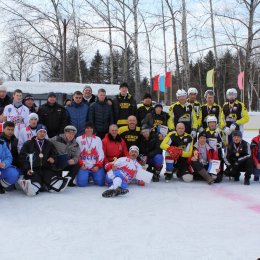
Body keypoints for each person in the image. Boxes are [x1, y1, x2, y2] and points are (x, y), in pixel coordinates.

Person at [18, 125, 71, 196]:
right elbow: (22, 157)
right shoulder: (28, 143)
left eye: (44, 132)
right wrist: (27, 169)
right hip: (33, 169)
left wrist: (53, 158)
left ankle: (53, 184)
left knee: (51, 179)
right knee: (35, 182)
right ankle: (31, 185)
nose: (42, 134)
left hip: (46, 168)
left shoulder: (49, 143)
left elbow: (54, 154)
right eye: (40, 131)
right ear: (36, 132)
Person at [76, 122, 105, 187]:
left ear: (93, 129)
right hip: (84, 167)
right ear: (84, 129)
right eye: (87, 128)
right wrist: (80, 165)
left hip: (95, 166)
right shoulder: (79, 139)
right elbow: (77, 154)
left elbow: (101, 154)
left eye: (90, 128)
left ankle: (92, 176)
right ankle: (85, 176)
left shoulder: (97, 139)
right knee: (81, 184)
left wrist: (97, 166)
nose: (89, 130)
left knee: (100, 183)